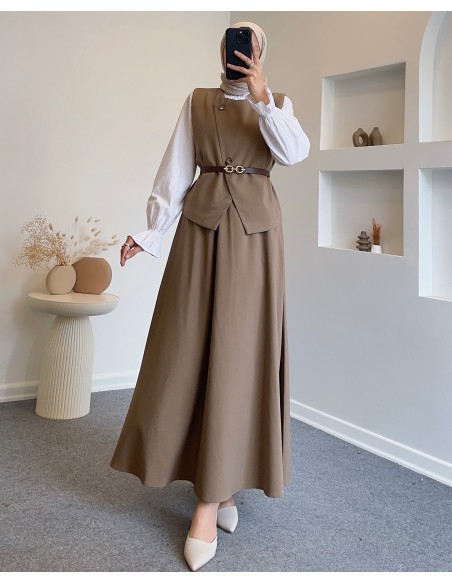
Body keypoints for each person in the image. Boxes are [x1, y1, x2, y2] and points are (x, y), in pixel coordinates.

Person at [110, 21, 310, 571]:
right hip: (200, 233)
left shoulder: (277, 103)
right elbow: (175, 170)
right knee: (187, 350)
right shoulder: (197, 102)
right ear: (221, 50)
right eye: (233, 45)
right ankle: (215, 490)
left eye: (250, 46)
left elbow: (295, 153)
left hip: (255, 243)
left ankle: (211, 498)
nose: (239, 53)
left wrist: (263, 97)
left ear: (261, 52)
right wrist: (149, 232)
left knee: (239, 356)